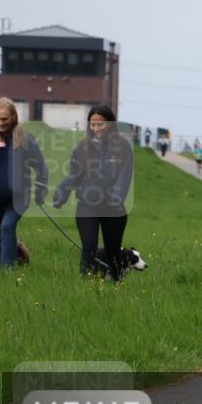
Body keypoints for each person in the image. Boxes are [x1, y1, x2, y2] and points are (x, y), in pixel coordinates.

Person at [53, 105, 134, 281]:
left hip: (113, 208)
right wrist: (62, 192)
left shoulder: (122, 147)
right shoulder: (82, 147)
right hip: (87, 205)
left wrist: (117, 196)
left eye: (100, 125)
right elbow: (74, 175)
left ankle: (116, 281)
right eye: (92, 125)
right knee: (89, 243)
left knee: (113, 249)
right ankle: (86, 281)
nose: (96, 129)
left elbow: (125, 175)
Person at [0, 99, 48, 267]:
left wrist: (41, 191)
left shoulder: (25, 139)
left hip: (18, 197)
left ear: (13, 117)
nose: (1, 123)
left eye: (4, 119)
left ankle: (7, 271)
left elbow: (41, 167)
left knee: (7, 227)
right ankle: (2, 277)